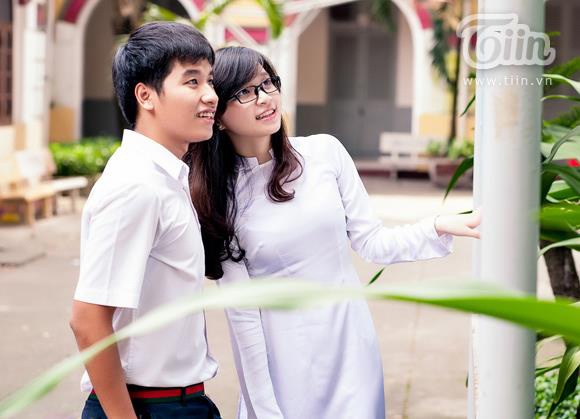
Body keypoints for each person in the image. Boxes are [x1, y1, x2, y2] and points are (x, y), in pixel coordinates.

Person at [189, 46, 480, 419]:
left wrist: (436, 226)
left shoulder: (324, 153)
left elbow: (372, 242)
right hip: (285, 365)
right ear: (219, 117)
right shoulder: (219, 198)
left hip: (350, 347)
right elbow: (243, 315)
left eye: (267, 83)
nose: (264, 98)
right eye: (245, 92)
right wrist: (262, 406)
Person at [69, 22, 221, 419]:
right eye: (192, 81)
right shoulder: (137, 186)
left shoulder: (165, 177)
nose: (210, 95)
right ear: (146, 95)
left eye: (210, 80)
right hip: (149, 406)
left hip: (179, 401)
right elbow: (88, 319)